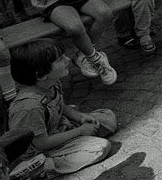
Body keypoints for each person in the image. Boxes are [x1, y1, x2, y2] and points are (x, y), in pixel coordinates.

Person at [7, 39, 117, 176]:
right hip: (40, 150)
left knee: (108, 118)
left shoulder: (51, 82)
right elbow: (42, 144)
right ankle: (41, 169)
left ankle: (77, 139)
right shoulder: (29, 107)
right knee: (100, 148)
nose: (68, 59)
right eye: (60, 59)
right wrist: (81, 131)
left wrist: (81, 117)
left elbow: (61, 107)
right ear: (41, 75)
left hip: (59, 128)